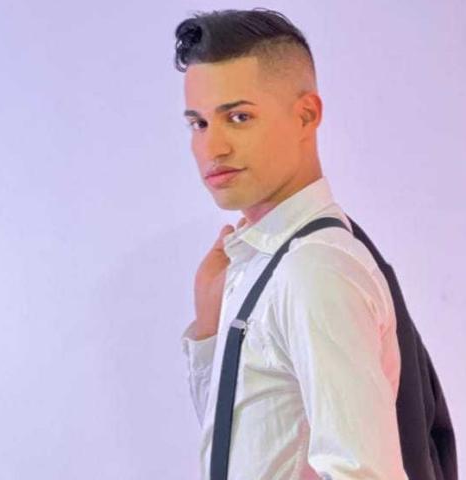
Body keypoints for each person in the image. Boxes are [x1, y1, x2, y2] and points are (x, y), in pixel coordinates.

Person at [176, 8, 408, 479]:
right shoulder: (263, 261)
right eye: (199, 124)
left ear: (306, 115)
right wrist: (210, 327)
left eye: (238, 117)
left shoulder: (314, 269)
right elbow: (245, 447)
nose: (212, 148)